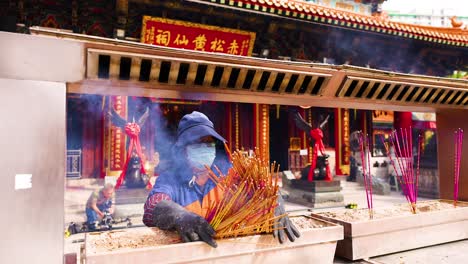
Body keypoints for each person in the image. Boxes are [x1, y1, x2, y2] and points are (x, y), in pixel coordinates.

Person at [143, 111, 300, 247]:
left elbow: (261, 188)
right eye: (197, 143)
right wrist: (179, 215)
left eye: (208, 143)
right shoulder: (171, 179)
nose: (204, 148)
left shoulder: (229, 175)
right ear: (184, 150)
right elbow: (154, 204)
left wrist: (275, 202)